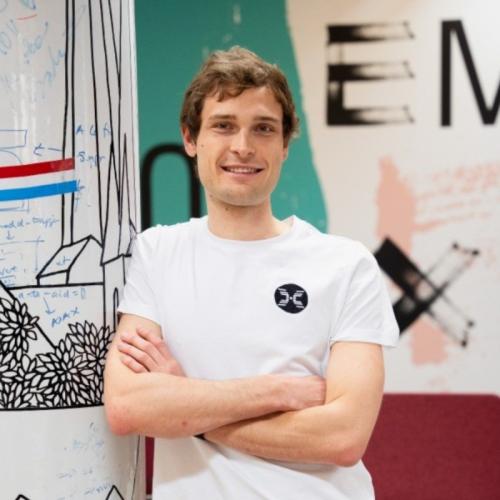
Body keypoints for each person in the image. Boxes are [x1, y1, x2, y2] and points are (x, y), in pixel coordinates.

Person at [104, 46, 399, 499]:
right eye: (223, 125)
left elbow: (343, 437)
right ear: (190, 138)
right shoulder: (157, 253)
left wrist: (187, 405)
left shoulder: (345, 264)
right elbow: (128, 406)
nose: (243, 146)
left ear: (284, 145)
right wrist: (274, 392)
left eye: (263, 128)